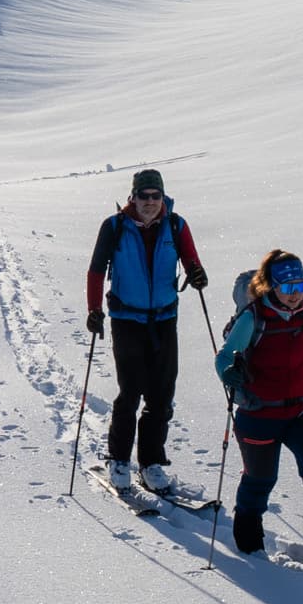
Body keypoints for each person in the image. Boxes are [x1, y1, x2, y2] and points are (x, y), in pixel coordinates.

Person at [212, 249, 303, 566]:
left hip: (301, 409)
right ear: (272, 286)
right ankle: (250, 546)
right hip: (259, 412)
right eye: (288, 288)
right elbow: (225, 356)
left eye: (301, 285)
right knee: (260, 479)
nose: (296, 295)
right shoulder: (253, 317)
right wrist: (229, 374)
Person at [84, 168, 207, 497]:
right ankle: (119, 459)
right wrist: (94, 310)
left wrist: (197, 274)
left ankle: (151, 461)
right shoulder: (114, 227)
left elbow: (192, 260)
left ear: (162, 197)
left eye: (155, 196)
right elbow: (96, 270)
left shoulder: (176, 225)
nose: (150, 202)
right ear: (133, 197)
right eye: (143, 196)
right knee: (131, 391)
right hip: (127, 319)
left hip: (165, 319)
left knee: (162, 394)